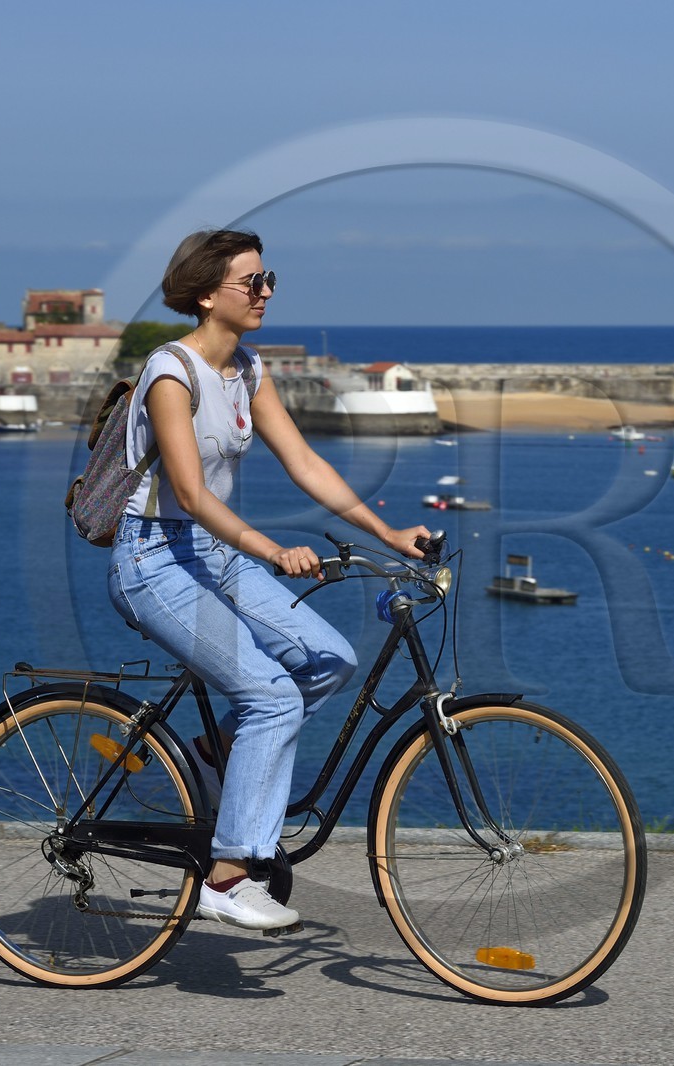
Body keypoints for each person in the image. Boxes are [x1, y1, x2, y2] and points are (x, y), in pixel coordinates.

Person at [107, 229, 430, 931]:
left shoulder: (249, 370)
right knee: (272, 697)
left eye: (268, 279)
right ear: (206, 295)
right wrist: (273, 549)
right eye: (250, 282)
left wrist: (388, 533)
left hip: (214, 556)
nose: (265, 292)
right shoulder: (171, 373)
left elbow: (305, 462)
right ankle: (228, 875)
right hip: (153, 561)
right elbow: (189, 494)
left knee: (329, 659)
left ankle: (211, 756)